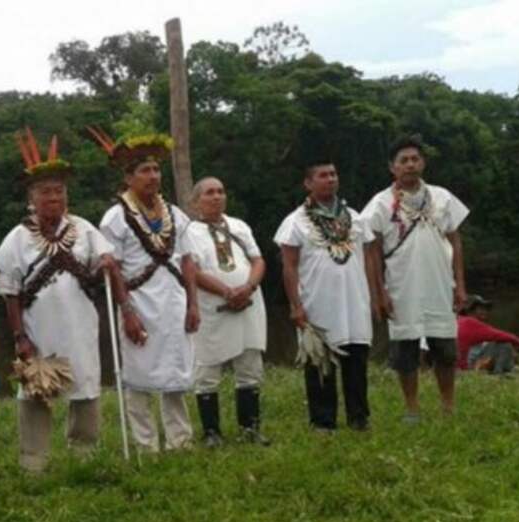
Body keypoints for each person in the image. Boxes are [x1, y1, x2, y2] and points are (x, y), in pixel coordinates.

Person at [0, 129, 115, 472]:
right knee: (35, 393)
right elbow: (9, 290)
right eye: (46, 192)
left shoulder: (85, 229)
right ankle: (34, 462)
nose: (54, 198)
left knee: (87, 386)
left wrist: (104, 262)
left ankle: (84, 456)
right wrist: (19, 337)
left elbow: (105, 261)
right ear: (32, 197)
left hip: (81, 326)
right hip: (38, 331)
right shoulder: (18, 237)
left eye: (59, 191)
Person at [89, 128, 200, 453]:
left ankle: (180, 441)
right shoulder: (115, 217)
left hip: (175, 301)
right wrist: (126, 313)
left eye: (156, 169)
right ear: (128, 177)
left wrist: (194, 304)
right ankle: (145, 444)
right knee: (138, 374)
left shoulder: (176, 214)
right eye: (144, 171)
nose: (153, 176)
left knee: (176, 370)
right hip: (138, 303)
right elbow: (114, 268)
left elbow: (189, 262)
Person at [362, 135, 469, 421]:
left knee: (445, 347)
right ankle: (412, 408)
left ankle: (448, 405)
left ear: (423, 162)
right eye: (403, 161)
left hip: (439, 284)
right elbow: (371, 252)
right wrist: (379, 293)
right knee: (405, 349)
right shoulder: (380, 203)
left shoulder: (442, 197)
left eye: (415, 159)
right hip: (401, 287)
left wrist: (460, 285)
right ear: (392, 167)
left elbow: (455, 242)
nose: (410, 165)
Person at [275, 161, 375, 431]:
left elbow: (368, 258)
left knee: (356, 360)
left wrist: (374, 296)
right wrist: (296, 305)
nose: (330, 179)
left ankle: (359, 418)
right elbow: (290, 267)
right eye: (322, 175)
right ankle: (323, 421)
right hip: (317, 302)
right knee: (320, 361)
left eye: (333, 174)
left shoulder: (354, 216)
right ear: (308, 183)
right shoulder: (295, 221)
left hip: (354, 300)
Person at [187, 177, 269, 446]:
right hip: (212, 309)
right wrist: (226, 291)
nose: (217, 196)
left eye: (221, 191)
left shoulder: (239, 226)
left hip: (248, 304)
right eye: (209, 193)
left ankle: (250, 428)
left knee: (250, 366)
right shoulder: (189, 232)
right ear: (196, 201)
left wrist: (248, 286)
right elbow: (193, 271)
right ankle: (212, 432)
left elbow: (257, 259)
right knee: (207, 370)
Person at [457, 295, 519, 373]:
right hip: (466, 366)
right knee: (505, 344)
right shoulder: (470, 322)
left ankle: (508, 368)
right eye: (480, 308)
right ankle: (499, 373)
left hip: (457, 365)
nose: (484, 311)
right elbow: (499, 335)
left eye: (485, 308)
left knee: (495, 344)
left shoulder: (458, 320)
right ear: (469, 311)